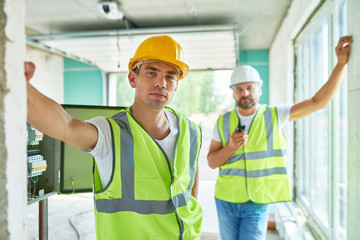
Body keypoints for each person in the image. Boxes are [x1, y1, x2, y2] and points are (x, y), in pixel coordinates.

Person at [25, 35, 203, 240]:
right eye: (151, 73)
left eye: (170, 76)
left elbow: (190, 188)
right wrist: (20, 88)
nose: (161, 83)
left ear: (176, 85)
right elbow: (66, 127)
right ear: (132, 78)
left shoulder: (190, 130)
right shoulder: (110, 132)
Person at [207, 35, 353, 240]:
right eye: (239, 89)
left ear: (259, 89)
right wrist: (230, 146)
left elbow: (318, 102)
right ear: (233, 93)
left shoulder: (276, 115)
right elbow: (211, 162)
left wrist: (340, 65)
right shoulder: (222, 122)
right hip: (225, 200)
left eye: (250, 87)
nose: (245, 92)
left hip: (257, 203)